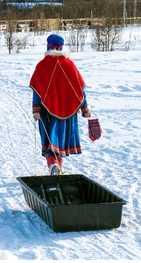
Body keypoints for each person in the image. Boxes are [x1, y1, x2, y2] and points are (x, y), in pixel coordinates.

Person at [29, 34, 91, 175]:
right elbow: (80, 90)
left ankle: (53, 166)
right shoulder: (69, 65)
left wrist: (36, 109)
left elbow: (37, 91)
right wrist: (85, 108)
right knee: (60, 143)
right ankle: (58, 167)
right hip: (68, 113)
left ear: (48, 46)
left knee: (49, 142)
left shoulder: (42, 65)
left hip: (47, 113)